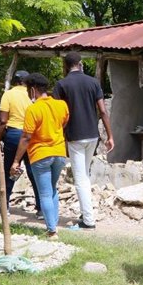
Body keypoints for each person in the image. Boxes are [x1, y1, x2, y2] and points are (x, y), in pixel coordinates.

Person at [53, 51, 114, 229]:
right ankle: (85, 212)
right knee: (85, 174)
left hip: (74, 136)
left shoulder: (61, 85)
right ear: (80, 64)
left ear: (66, 66)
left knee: (80, 177)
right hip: (92, 135)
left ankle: (88, 220)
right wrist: (110, 136)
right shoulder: (93, 82)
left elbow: (57, 112)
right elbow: (102, 111)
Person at [11, 73, 69, 240]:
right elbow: (63, 123)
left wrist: (16, 160)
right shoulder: (61, 105)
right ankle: (54, 224)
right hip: (59, 153)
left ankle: (52, 231)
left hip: (40, 155)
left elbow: (26, 137)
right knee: (52, 189)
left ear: (33, 90)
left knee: (44, 193)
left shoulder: (33, 109)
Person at [0, 70, 42, 218]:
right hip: (31, 136)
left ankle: (5, 207)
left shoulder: (8, 94)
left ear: (15, 80)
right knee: (33, 171)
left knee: (10, 169)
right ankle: (40, 208)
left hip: (14, 135)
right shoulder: (33, 95)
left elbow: (3, 120)